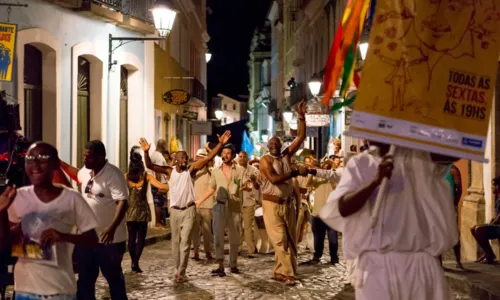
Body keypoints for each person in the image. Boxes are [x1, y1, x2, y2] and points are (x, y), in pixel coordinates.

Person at [319, 142, 459, 299]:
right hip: (376, 267)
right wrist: (374, 182)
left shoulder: (422, 159)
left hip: (420, 265)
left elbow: (453, 153)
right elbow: (343, 208)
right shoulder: (360, 163)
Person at [0, 142, 99, 300]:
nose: (36, 165)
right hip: (25, 292)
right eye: (30, 158)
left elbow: (93, 240)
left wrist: (64, 236)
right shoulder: (17, 197)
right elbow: (4, 248)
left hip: (60, 291)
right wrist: (2, 212)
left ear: (55, 164)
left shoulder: (72, 198)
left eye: (43, 158)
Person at [139, 131, 231, 283]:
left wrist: (220, 144)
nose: (185, 159)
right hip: (175, 211)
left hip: (189, 210)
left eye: (186, 157)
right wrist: (146, 152)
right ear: (175, 159)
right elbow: (149, 165)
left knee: (185, 242)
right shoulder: (169, 172)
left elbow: (208, 158)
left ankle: (181, 271)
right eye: (182, 157)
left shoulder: (191, 170)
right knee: (175, 243)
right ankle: (177, 269)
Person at [61, 140, 129, 300]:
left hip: (109, 240)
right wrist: (60, 164)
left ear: (100, 157)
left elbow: (123, 202)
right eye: (84, 156)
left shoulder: (113, 174)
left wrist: (111, 228)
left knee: (113, 277)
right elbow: (76, 174)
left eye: (88, 157)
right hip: (87, 237)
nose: (84, 160)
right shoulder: (86, 170)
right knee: (85, 278)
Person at [259, 101, 308, 286]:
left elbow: (301, 137)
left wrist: (301, 117)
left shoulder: (286, 155)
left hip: (288, 204)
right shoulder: (265, 160)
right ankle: (288, 274)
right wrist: (295, 172)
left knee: (291, 240)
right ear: (267, 146)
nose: (273, 145)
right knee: (280, 240)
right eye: (270, 143)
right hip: (271, 205)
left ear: (280, 145)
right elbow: (273, 179)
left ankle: (279, 271)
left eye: (276, 143)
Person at [196, 144, 249, 276]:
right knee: (218, 236)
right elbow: (211, 188)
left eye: (228, 153)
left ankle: (233, 264)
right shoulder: (215, 171)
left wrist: (247, 186)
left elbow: (246, 184)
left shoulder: (240, 170)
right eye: (223, 153)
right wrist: (199, 200)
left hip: (234, 206)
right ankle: (220, 264)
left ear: (233, 156)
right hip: (219, 206)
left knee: (234, 237)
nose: (225, 155)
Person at [126, 146, 169, 273]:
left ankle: (133, 262)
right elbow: (163, 187)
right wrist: (165, 187)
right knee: (141, 238)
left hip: (130, 210)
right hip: (142, 210)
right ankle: (136, 262)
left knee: (131, 237)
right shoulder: (146, 176)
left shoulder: (126, 176)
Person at [300, 160, 342, 266]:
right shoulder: (318, 178)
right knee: (318, 236)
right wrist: (311, 173)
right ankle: (317, 256)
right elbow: (308, 184)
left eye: (328, 166)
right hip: (318, 211)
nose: (326, 168)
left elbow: (336, 185)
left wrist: (329, 174)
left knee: (333, 237)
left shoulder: (334, 179)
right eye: (324, 166)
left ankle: (334, 257)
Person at [471, 176, 500, 264]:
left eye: (492, 186)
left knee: (479, 230)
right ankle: (488, 253)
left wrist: (492, 224)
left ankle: (489, 255)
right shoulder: (498, 198)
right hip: (497, 225)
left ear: (498, 186)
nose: (491, 188)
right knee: (473, 228)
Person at [191, 148, 214, 261]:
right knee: (195, 230)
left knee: (207, 231)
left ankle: (207, 251)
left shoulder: (210, 171)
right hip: (195, 204)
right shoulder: (193, 171)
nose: (198, 159)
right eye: (197, 157)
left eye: (201, 157)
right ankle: (195, 251)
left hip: (207, 205)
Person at [238, 151, 260, 258]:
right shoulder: (234, 169)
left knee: (247, 227)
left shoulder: (254, 170)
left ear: (247, 158)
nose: (241, 158)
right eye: (240, 156)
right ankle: (237, 248)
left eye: (244, 156)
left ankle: (251, 250)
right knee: (237, 227)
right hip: (236, 202)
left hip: (249, 201)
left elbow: (257, 186)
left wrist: (254, 181)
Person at [445, 164, 463, 268]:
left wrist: (454, 203)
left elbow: (459, 189)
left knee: (454, 233)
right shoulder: (452, 170)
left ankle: (458, 261)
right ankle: (457, 262)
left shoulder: (453, 170)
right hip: (443, 206)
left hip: (448, 206)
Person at [149, 139, 169, 229]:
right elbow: (158, 171)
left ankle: (160, 221)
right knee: (159, 203)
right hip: (158, 183)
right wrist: (159, 185)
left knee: (159, 203)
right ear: (163, 146)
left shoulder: (154, 154)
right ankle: (158, 222)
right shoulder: (159, 156)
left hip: (155, 182)